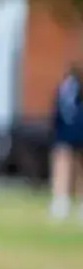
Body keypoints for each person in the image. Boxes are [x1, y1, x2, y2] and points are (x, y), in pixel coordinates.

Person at [51, 64, 83, 220]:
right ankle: (61, 199)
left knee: (78, 169)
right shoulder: (62, 90)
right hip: (64, 135)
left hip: (78, 134)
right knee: (62, 165)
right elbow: (57, 114)